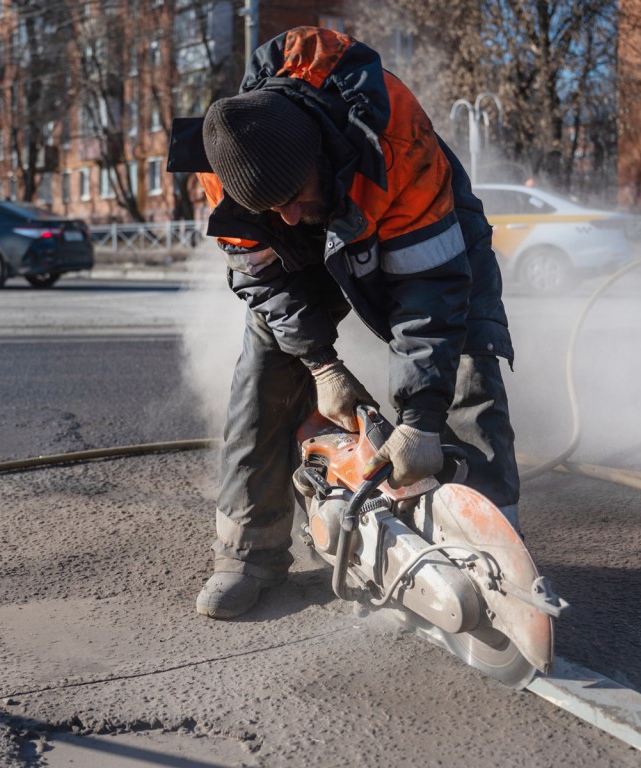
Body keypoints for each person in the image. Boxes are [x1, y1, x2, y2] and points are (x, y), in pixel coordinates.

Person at [167, 26, 519, 619]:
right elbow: (263, 282)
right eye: (269, 207)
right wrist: (322, 365)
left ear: (317, 155)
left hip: (423, 231)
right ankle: (249, 552)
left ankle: (492, 556)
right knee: (265, 372)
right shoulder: (225, 168)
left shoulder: (395, 139)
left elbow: (430, 297)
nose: (287, 214)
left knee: (466, 355)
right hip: (307, 255)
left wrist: (420, 421)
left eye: (293, 195)